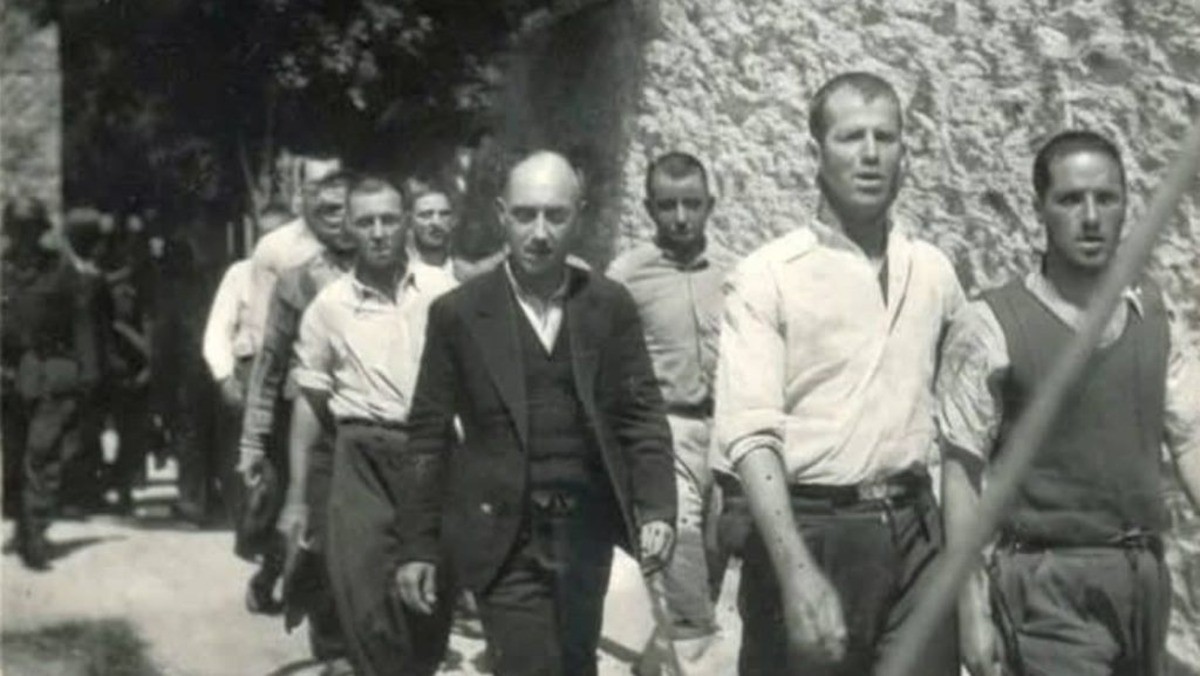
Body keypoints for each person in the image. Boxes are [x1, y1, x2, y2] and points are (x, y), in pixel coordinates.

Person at [713, 72, 965, 675]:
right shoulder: (768, 276)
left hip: (916, 532)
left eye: (886, 137)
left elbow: (973, 404)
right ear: (816, 153)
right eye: (852, 137)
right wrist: (796, 572)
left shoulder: (933, 271)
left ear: (905, 153)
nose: (871, 154)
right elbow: (750, 437)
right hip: (813, 530)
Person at [394, 151, 677, 675]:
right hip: (503, 535)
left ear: (580, 216)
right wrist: (418, 544)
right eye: (525, 215)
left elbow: (641, 415)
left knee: (576, 664)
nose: (540, 233)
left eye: (556, 215)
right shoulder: (459, 313)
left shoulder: (609, 306)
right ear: (502, 215)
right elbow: (427, 436)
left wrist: (658, 507)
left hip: (585, 531)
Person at [939, 130, 1200, 676]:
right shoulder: (990, 325)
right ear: (1040, 209)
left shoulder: (1154, 315)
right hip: (1047, 584)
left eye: (1106, 198)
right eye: (1070, 200)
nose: (1091, 217)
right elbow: (960, 474)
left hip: (1141, 580)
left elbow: (1191, 440)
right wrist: (970, 608)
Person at [294, 175, 457, 674]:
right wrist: (297, 498)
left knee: (430, 604)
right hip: (361, 458)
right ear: (349, 227)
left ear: (406, 222)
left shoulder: (445, 292)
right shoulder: (328, 307)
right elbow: (309, 405)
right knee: (366, 603)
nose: (380, 232)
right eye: (366, 222)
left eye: (389, 219)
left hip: (431, 457)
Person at [607, 151, 740, 675]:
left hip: (724, 431)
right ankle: (689, 656)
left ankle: (662, 659)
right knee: (680, 556)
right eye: (668, 206)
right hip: (663, 429)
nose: (681, 217)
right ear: (649, 208)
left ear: (710, 205)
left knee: (714, 553)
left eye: (692, 204)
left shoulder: (736, 272)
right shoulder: (626, 276)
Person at [237, 172, 354, 664]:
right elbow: (269, 365)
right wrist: (253, 440)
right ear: (310, 216)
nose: (341, 220)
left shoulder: (392, 270)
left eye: (347, 207)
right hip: (307, 422)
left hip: (371, 422)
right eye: (328, 210)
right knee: (311, 532)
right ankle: (333, 648)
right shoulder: (297, 280)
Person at [1, 197, 101, 569]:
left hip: (51, 370)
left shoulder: (60, 271)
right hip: (9, 375)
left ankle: (36, 533)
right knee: (14, 455)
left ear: (40, 232)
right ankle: (22, 522)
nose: (23, 239)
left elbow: (81, 321)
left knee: (42, 452)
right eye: (17, 231)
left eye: (30, 231)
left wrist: (89, 372)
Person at [203, 204, 292, 522]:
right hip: (250, 371)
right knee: (249, 459)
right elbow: (217, 330)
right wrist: (225, 376)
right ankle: (249, 524)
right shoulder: (240, 274)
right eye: (264, 235)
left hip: (288, 373)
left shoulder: (302, 275)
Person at [243, 156, 342, 356]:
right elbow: (261, 335)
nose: (328, 199)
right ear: (300, 194)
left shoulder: (366, 240)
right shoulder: (275, 248)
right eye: (316, 189)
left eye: (336, 186)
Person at [103, 279, 153, 514]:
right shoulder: (105, 325)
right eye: (119, 297)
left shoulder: (137, 324)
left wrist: (125, 330)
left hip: (135, 385)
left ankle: (125, 490)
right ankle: (116, 487)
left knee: (131, 441)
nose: (124, 302)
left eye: (128, 297)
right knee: (114, 441)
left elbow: (150, 352)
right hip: (113, 386)